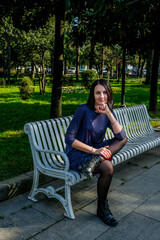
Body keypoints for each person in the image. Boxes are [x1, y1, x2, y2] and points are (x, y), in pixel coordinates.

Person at [65, 79, 127, 227]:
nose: (101, 96)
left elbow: (121, 136)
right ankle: (102, 209)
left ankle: (95, 161)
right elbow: (69, 138)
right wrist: (95, 151)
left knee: (123, 139)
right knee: (107, 167)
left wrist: (109, 113)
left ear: (109, 94)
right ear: (92, 94)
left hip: (94, 153)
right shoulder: (83, 110)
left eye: (105, 92)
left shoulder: (107, 111)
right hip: (78, 153)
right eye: (98, 92)